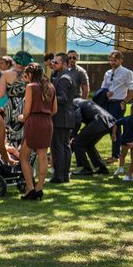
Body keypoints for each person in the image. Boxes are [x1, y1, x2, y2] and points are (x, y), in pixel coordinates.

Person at [19, 63, 57, 200]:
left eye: (26, 74)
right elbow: (54, 110)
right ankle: (39, 188)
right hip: (47, 122)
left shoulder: (30, 87)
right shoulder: (51, 87)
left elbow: (27, 110)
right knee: (42, 156)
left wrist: (22, 117)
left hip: (33, 121)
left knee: (23, 156)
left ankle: (30, 188)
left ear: (30, 74)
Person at [100, 50, 133, 162]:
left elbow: (131, 90)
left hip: (118, 103)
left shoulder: (127, 73)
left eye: (115, 60)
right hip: (107, 103)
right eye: (111, 60)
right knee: (108, 127)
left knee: (116, 127)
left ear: (120, 60)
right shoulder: (107, 73)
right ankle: (115, 153)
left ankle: (115, 155)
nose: (112, 62)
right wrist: (105, 93)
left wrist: (124, 102)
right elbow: (103, 88)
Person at [50, 53, 76, 184]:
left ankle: (59, 176)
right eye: (53, 62)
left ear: (65, 64)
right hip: (66, 116)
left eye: (56, 62)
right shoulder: (64, 76)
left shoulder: (64, 78)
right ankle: (64, 175)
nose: (53, 64)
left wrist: (47, 97)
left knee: (58, 146)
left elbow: (63, 98)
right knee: (64, 145)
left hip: (61, 116)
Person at [71, 98, 115, 176]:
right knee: (89, 145)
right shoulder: (80, 101)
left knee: (76, 143)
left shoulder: (73, 103)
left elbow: (77, 120)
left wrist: (72, 136)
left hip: (98, 121)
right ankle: (101, 167)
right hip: (108, 122)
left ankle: (86, 168)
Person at [0, 50, 31, 146]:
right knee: (25, 134)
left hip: (11, 107)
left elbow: (0, 95)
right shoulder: (29, 74)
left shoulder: (6, 74)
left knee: (10, 134)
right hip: (26, 105)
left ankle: (12, 157)